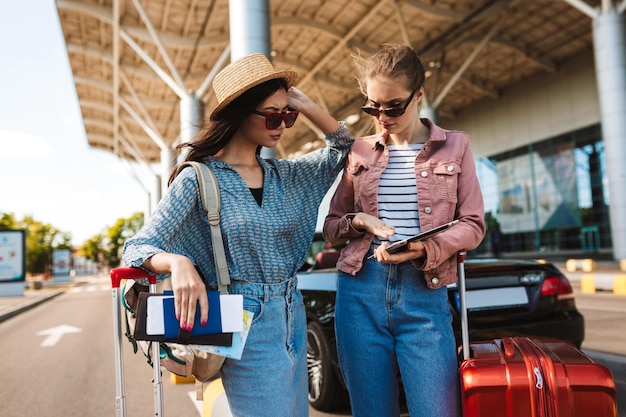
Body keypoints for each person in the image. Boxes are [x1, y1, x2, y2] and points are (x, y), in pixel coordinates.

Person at [122, 53, 353, 417]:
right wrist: (178, 262)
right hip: (243, 318)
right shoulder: (199, 178)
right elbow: (136, 248)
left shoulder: (286, 176)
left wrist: (306, 105)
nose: (283, 124)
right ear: (242, 113)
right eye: (273, 115)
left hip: (292, 310)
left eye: (288, 114)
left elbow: (346, 149)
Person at [323, 44, 485, 417]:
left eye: (393, 106)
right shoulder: (359, 152)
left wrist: (426, 249)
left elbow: (473, 225)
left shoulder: (456, 145)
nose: (382, 116)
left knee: (437, 410)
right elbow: (332, 227)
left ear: (419, 96)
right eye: (372, 106)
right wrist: (358, 221)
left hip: (423, 293)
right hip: (360, 290)